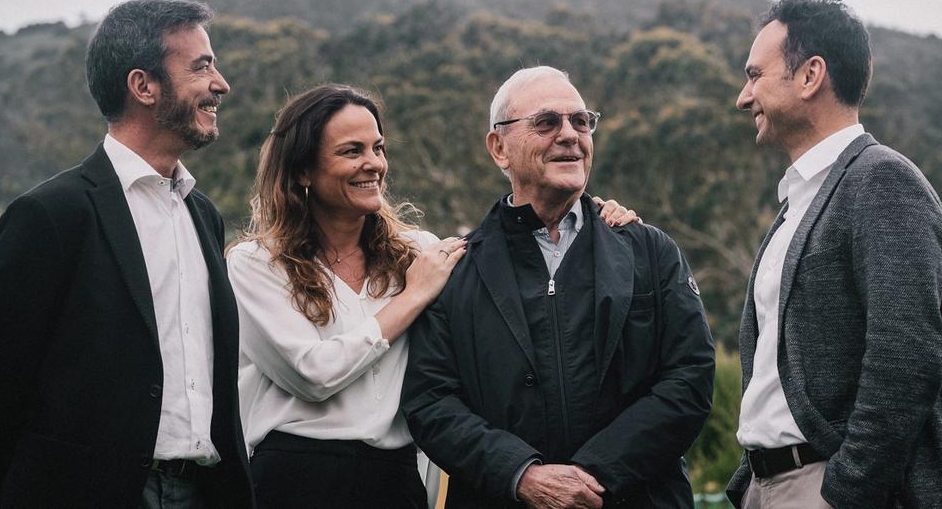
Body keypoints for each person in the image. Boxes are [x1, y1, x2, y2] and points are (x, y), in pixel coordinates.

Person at [229, 84, 638, 509]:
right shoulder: (256, 264)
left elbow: (508, 249)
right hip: (293, 477)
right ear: (302, 171)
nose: (373, 164)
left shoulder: (420, 252)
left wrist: (599, 218)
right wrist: (411, 298)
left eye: (378, 148)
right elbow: (311, 376)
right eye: (351, 151)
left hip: (394, 479)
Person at [0, 0, 253, 508]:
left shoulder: (204, 215)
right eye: (201, 67)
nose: (220, 84)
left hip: (204, 493)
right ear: (143, 86)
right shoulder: (50, 215)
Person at [401, 66, 716, 509]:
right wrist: (521, 474)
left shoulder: (650, 250)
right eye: (547, 122)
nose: (569, 134)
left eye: (581, 121)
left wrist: (591, 477)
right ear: (499, 148)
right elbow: (430, 402)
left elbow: (690, 377)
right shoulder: (453, 270)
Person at [726, 0, 942, 508]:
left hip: (827, 490)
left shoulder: (882, 180)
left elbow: (907, 358)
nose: (743, 97)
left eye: (755, 75)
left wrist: (843, 493)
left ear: (811, 75)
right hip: (769, 487)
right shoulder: (801, 198)